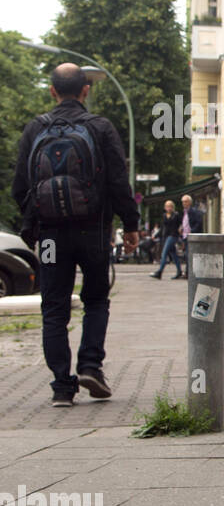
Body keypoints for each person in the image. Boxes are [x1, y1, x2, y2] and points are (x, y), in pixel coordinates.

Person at [10, 62, 139, 407]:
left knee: (53, 308)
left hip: (51, 235)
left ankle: (61, 388)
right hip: (94, 230)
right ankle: (91, 367)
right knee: (96, 299)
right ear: (86, 90)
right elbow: (117, 182)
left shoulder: (35, 129)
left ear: (52, 91)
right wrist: (130, 224)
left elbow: (19, 186)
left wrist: (36, 219)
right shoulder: (100, 127)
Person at [150, 201, 183, 279]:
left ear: (173, 207)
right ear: (165, 207)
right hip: (166, 237)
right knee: (174, 254)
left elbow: (181, 224)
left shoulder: (176, 215)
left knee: (164, 253)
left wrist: (180, 230)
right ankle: (179, 271)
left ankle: (159, 272)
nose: (169, 208)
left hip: (173, 236)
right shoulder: (164, 215)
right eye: (167, 206)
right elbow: (162, 228)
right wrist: (155, 235)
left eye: (170, 206)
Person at [178, 193, 205, 278]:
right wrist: (182, 228)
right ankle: (188, 273)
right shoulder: (185, 212)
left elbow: (199, 222)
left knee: (189, 255)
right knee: (188, 255)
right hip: (185, 236)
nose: (184, 203)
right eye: (183, 202)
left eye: (185, 202)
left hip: (191, 236)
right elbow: (186, 223)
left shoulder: (193, 211)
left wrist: (192, 231)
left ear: (190, 202)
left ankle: (189, 273)